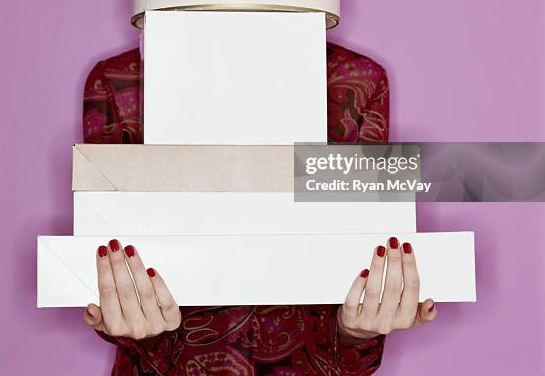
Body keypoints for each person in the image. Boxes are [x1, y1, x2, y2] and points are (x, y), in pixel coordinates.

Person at [81, 44, 437, 374]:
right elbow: (107, 251)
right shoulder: (124, 81)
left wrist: (357, 329)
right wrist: (137, 325)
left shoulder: (354, 80)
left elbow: (360, 246)